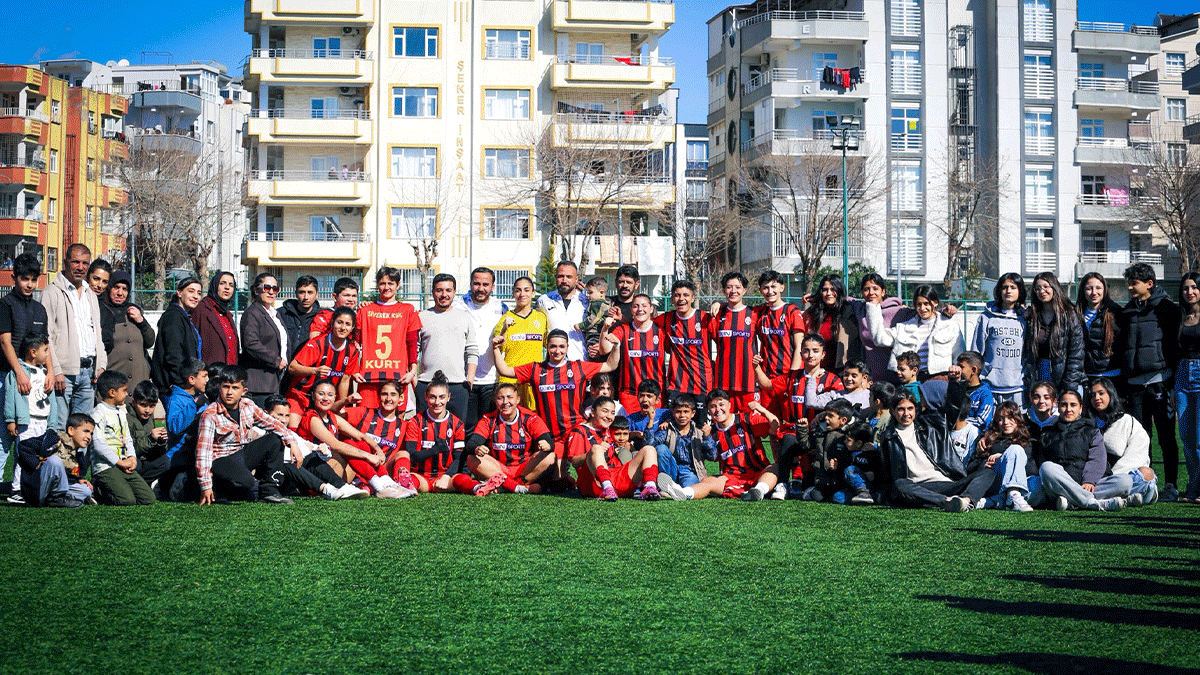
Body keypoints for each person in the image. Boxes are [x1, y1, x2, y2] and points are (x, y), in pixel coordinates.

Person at [492, 328, 619, 460]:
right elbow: (504, 370)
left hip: (576, 432)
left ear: (567, 347)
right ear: (547, 347)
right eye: (553, 346)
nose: (557, 351)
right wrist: (495, 348)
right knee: (554, 469)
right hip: (549, 434)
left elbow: (610, 365)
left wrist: (616, 346)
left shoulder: (578, 367)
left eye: (561, 347)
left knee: (589, 464)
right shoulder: (535, 369)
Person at [194, 366, 304, 505]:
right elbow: (203, 453)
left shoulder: (248, 405)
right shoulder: (210, 414)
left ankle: (270, 492)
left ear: (244, 391)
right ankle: (219, 488)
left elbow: (274, 424)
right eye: (226, 387)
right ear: (219, 387)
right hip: (220, 460)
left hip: (241, 454)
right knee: (247, 483)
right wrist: (205, 485)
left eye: (235, 388)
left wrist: (292, 442)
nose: (229, 392)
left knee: (276, 438)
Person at [1119, 262, 1181, 501]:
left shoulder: (1168, 310)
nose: (1129, 287)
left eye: (1134, 283)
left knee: (1166, 436)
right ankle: (1146, 484)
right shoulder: (1127, 311)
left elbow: (1175, 347)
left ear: (1149, 284)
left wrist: (1171, 384)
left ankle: (1171, 485)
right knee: (1140, 439)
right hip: (1134, 386)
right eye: (1129, 283)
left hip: (1160, 383)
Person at [878, 385, 995, 511]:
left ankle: (965, 501)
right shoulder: (888, 437)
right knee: (899, 484)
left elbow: (953, 409)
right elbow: (888, 475)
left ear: (915, 409)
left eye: (910, 408)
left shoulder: (930, 425)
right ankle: (947, 501)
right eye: (901, 409)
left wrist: (956, 382)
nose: (906, 414)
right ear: (893, 411)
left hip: (947, 482)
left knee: (988, 473)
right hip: (919, 487)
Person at [754, 334, 843, 488]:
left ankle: (812, 482)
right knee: (788, 439)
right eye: (806, 351)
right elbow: (767, 384)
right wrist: (756, 367)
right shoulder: (791, 377)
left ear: (823, 354)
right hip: (793, 432)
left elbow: (841, 406)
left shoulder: (833, 380)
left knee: (811, 483)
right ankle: (782, 484)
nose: (810, 355)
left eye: (815, 351)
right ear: (801, 353)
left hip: (820, 435)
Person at [662, 390, 782, 502]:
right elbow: (712, 457)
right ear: (709, 410)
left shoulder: (746, 419)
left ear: (729, 405)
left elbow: (775, 425)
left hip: (758, 473)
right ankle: (682, 493)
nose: (718, 409)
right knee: (707, 481)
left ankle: (758, 491)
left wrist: (761, 409)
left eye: (721, 404)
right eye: (713, 406)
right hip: (731, 477)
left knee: (775, 467)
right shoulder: (711, 433)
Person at [300, 379, 412, 499]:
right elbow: (337, 445)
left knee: (362, 443)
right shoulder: (312, 418)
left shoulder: (332, 417)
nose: (325, 398)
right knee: (347, 444)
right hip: (315, 471)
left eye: (330, 395)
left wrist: (378, 450)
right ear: (313, 395)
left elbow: (361, 436)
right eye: (321, 394)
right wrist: (368, 456)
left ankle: (387, 483)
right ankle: (378, 486)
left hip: (346, 467)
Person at [0, 253, 50, 502]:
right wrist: (19, 373)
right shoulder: (5, 305)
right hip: (8, 377)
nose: (29, 284)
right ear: (14, 278)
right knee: (5, 434)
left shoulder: (39, 309)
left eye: (33, 279)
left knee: (29, 436)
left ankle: (20, 487)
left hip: (35, 381)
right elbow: (5, 341)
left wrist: (50, 372)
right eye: (24, 279)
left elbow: (45, 345)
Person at [42, 244, 106, 429]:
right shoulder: (51, 292)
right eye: (75, 262)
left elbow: (97, 333)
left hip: (89, 374)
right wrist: (55, 370)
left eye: (85, 263)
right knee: (59, 428)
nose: (80, 267)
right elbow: (46, 336)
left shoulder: (90, 294)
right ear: (65, 263)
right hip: (64, 374)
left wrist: (100, 364)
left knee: (83, 430)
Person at [261, 394, 368, 500]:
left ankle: (342, 486)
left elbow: (308, 446)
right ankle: (328, 490)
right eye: (279, 415)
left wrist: (321, 449)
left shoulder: (289, 433)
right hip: (270, 479)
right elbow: (278, 459)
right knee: (289, 464)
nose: (284, 420)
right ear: (265, 414)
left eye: (287, 416)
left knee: (312, 457)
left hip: (290, 479)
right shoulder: (258, 432)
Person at [1033, 390, 1125, 511]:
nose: (1068, 409)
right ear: (1058, 407)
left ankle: (1071, 501)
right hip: (1061, 484)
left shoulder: (1092, 431)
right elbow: (1042, 464)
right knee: (1047, 468)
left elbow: (1097, 459)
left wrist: (1089, 481)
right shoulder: (1047, 434)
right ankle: (1091, 502)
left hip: (1085, 484)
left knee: (1124, 482)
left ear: (1080, 408)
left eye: (1073, 405)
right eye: (1064, 405)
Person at [463, 383, 556, 493]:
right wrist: (477, 448)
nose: (505, 402)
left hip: (525, 470)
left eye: (510, 397)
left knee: (551, 457)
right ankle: (517, 487)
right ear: (495, 401)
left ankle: (507, 485)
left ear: (518, 400)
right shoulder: (488, 419)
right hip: (498, 469)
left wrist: (547, 445)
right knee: (472, 459)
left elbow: (549, 442)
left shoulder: (530, 418)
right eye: (500, 398)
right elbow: (472, 443)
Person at [392, 371, 471, 494]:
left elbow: (458, 459)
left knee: (462, 479)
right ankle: (406, 485)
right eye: (432, 397)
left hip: (445, 478)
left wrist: (446, 476)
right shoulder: (415, 422)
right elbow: (411, 455)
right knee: (412, 478)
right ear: (426, 397)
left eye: (442, 397)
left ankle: (478, 488)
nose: (437, 402)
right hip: (421, 476)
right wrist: (434, 450)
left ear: (448, 397)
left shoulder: (457, 424)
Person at [567, 397, 661, 501]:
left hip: (617, 477)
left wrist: (632, 437)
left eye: (612, 413)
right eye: (605, 411)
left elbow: (622, 436)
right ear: (592, 412)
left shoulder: (607, 429)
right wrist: (591, 453)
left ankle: (650, 487)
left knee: (649, 449)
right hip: (594, 484)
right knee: (596, 448)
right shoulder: (579, 431)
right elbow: (574, 462)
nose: (609, 416)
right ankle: (607, 488)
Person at [866, 284, 964, 382]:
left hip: (940, 381)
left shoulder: (950, 327)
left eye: (926, 303)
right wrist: (873, 308)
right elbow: (879, 339)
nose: (922, 308)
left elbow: (960, 357)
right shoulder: (904, 328)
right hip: (911, 382)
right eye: (919, 304)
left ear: (935, 303)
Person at [357, 266, 421, 409]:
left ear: (398, 285)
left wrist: (412, 372)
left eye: (390, 283)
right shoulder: (365, 310)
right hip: (369, 377)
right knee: (366, 418)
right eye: (382, 283)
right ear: (377, 285)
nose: (386, 287)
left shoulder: (408, 310)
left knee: (396, 418)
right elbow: (354, 344)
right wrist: (354, 370)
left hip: (397, 377)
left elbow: (412, 344)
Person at [89, 370, 156, 506]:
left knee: (148, 498)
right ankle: (97, 489)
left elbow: (127, 438)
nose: (127, 394)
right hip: (105, 467)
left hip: (123, 464)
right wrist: (119, 462)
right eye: (124, 390)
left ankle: (116, 485)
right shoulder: (98, 413)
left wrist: (132, 458)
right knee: (127, 500)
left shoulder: (121, 411)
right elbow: (98, 444)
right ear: (112, 392)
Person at [1088, 376, 1157, 507]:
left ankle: (1102, 496)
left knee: (1146, 475)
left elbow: (1137, 455)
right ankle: (1124, 499)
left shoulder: (1128, 422)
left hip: (1120, 477)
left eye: (1101, 393)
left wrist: (1114, 477)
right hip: (1092, 479)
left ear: (1111, 394)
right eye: (1092, 395)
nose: (1096, 398)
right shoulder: (1086, 423)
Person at [286, 306, 359, 427]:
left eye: (347, 324)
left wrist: (341, 405)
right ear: (332, 323)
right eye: (339, 322)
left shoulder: (352, 350)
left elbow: (345, 380)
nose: (343, 327)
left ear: (352, 328)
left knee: (340, 429)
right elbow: (292, 367)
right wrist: (314, 370)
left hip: (325, 402)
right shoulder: (318, 343)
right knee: (293, 431)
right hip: (301, 396)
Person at [416, 273, 476, 420]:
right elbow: (413, 350)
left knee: (457, 429)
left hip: (458, 385)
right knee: (426, 428)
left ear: (454, 292)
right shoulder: (421, 317)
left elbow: (472, 350)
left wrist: (469, 380)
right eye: (439, 290)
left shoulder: (464, 317)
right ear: (433, 292)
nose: (444, 295)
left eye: (448, 290)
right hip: (427, 383)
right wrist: (415, 381)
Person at [453, 267, 508, 429]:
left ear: (493, 286)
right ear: (471, 284)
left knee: (489, 427)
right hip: (464, 378)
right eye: (477, 284)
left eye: (485, 284)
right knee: (466, 427)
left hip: (492, 379)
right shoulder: (457, 305)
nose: (481, 288)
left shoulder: (501, 307)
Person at [795, 400, 873, 505]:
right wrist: (803, 429)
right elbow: (806, 445)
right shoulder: (820, 431)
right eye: (826, 414)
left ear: (843, 420)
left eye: (830, 416)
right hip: (823, 481)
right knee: (815, 496)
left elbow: (852, 460)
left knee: (837, 498)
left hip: (842, 481)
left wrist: (838, 465)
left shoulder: (849, 435)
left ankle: (861, 494)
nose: (826, 418)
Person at [4, 335, 57, 491]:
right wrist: (11, 420)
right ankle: (17, 489)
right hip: (27, 423)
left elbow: (52, 401)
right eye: (45, 350)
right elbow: (10, 397)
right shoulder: (18, 373)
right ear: (33, 352)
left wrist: (52, 423)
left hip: (43, 422)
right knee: (24, 456)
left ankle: (34, 488)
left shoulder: (46, 374)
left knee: (42, 456)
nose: (48, 354)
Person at [599, 293, 665, 414]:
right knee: (629, 425)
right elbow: (604, 350)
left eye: (644, 306)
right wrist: (605, 329)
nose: (640, 309)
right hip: (629, 394)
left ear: (651, 309)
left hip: (655, 394)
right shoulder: (623, 329)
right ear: (631, 310)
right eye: (635, 306)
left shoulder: (660, 330)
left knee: (653, 425)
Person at [968, 272, 1027, 405]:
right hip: (990, 386)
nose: (1008, 291)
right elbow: (976, 352)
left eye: (1013, 287)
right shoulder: (986, 318)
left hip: (1018, 387)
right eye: (1004, 287)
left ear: (1020, 291)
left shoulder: (1026, 319)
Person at [657, 280, 714, 415]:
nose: (681, 299)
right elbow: (643, 322)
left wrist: (719, 303)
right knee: (673, 425)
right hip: (676, 385)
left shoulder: (705, 318)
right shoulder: (666, 319)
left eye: (686, 295)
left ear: (693, 298)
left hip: (702, 384)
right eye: (677, 295)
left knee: (702, 425)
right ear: (672, 299)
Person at [1024, 272, 1085, 397]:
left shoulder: (1069, 314)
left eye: (1046, 286)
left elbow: (1076, 354)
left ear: (1054, 288)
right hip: (1041, 372)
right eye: (1038, 288)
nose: (1042, 291)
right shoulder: (1032, 316)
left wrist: (1069, 386)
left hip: (1064, 374)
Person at [16, 413, 95, 507]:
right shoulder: (54, 439)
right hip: (36, 490)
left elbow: (63, 474)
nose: (89, 437)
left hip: (52, 490)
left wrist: (78, 479)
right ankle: (57, 498)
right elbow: (23, 446)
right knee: (54, 460)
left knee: (86, 491)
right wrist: (38, 463)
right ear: (71, 430)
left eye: (91, 433)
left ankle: (53, 500)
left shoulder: (78, 455)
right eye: (86, 431)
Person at [491, 276, 545, 411]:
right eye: (518, 290)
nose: (522, 294)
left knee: (533, 418)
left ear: (533, 293)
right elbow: (497, 348)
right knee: (510, 418)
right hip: (511, 380)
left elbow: (549, 345)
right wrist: (504, 330)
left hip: (533, 380)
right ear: (513, 293)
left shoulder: (541, 318)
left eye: (526, 290)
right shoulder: (506, 319)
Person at [754, 270, 806, 412]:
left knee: (790, 419)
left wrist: (793, 377)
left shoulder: (792, 311)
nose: (770, 291)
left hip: (787, 376)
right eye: (765, 288)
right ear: (761, 290)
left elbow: (799, 346)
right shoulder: (760, 312)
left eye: (773, 286)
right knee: (770, 420)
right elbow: (738, 308)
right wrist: (718, 303)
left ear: (782, 287)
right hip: (766, 378)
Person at [708, 271, 759, 412]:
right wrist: (717, 303)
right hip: (723, 381)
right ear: (724, 290)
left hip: (748, 382)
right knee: (724, 421)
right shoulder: (717, 315)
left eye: (737, 287)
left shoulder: (754, 313)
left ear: (744, 290)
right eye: (729, 287)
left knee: (749, 422)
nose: (733, 291)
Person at [971, 401, 1035, 511]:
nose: (1006, 422)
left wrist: (1007, 458)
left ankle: (994, 501)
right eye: (1001, 419)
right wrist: (984, 464)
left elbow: (1033, 470)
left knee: (1037, 482)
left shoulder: (1027, 442)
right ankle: (1011, 496)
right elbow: (971, 466)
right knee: (1015, 449)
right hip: (995, 481)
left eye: (1010, 418)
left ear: (1018, 419)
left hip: (1020, 484)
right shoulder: (987, 440)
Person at [240, 272, 289, 407]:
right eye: (267, 288)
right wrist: (276, 360)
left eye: (275, 288)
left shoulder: (274, 313)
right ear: (256, 290)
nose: (271, 292)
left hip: (275, 380)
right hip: (259, 384)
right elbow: (251, 344)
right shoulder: (252, 313)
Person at [644, 395, 714, 490]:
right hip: (671, 468)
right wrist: (651, 421)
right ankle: (666, 483)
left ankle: (673, 489)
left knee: (689, 489)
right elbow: (649, 445)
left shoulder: (699, 433)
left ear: (693, 413)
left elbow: (712, 456)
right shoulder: (667, 429)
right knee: (661, 448)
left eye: (686, 412)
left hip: (689, 471)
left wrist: (707, 437)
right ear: (673, 413)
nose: (682, 416)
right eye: (678, 412)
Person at [100, 271, 154, 386]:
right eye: (116, 287)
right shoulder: (101, 311)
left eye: (124, 289)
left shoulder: (134, 311)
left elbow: (150, 341)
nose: (120, 293)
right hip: (113, 383)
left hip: (138, 383)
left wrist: (141, 321)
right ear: (109, 288)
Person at [151, 277, 203, 396]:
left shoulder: (184, 317)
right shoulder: (173, 317)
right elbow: (173, 355)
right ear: (179, 293)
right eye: (191, 291)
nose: (195, 296)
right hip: (176, 388)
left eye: (199, 293)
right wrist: (183, 385)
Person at [804, 274, 862, 375]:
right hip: (816, 369)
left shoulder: (848, 311)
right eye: (825, 290)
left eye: (833, 289)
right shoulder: (813, 312)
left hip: (841, 371)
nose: (829, 293)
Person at [1177, 272, 1200, 503]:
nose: (1190, 292)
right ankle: (1192, 487)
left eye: (1194, 287)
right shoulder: (1181, 316)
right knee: (1186, 436)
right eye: (1185, 288)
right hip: (1182, 375)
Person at [536, 260, 588, 361]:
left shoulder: (586, 302)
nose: (564, 280)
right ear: (555, 277)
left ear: (576, 279)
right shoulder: (544, 301)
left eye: (569, 277)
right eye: (560, 276)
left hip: (581, 362)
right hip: (554, 363)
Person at [1076, 272, 1123, 382]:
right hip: (1085, 376)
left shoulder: (1116, 313)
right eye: (1089, 288)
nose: (1094, 292)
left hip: (1112, 376)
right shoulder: (1075, 314)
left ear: (1105, 290)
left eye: (1098, 288)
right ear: (1083, 290)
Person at [126, 379, 169, 485]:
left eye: (152, 406)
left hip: (145, 459)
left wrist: (161, 441)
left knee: (165, 462)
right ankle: (136, 484)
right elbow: (131, 449)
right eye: (143, 405)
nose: (147, 410)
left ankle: (140, 484)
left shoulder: (149, 419)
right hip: (132, 460)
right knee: (136, 464)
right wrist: (150, 439)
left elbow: (155, 451)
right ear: (134, 403)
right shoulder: (127, 419)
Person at [193, 271, 239, 367]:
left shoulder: (226, 314)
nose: (227, 287)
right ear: (215, 285)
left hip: (229, 372)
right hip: (210, 371)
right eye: (222, 283)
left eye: (231, 285)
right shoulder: (202, 309)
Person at [278, 275, 322, 361]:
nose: (306, 297)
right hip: (282, 365)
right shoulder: (281, 314)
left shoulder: (322, 317)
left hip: (307, 366)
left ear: (317, 294)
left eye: (310, 292)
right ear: (296, 293)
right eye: (302, 292)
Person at [952, 351, 995, 433]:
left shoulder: (985, 393)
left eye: (961, 367)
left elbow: (983, 420)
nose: (958, 370)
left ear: (974, 370)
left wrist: (960, 424)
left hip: (975, 435)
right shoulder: (957, 389)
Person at [579, 277, 614, 356]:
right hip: (601, 333)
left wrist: (580, 326)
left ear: (601, 292)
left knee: (592, 350)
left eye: (590, 292)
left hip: (595, 333)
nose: (587, 295)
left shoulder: (597, 304)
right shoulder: (607, 302)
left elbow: (593, 319)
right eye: (587, 292)